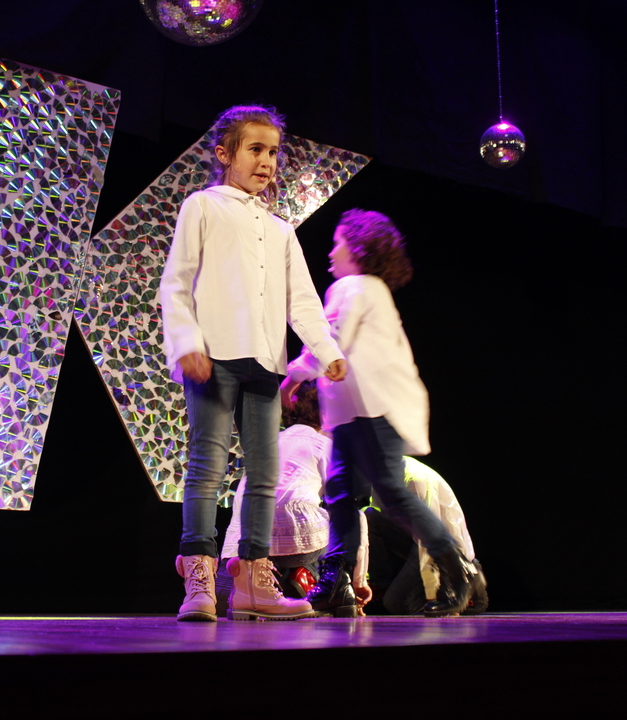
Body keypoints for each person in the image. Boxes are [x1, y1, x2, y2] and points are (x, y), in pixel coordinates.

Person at [159, 105, 347, 622]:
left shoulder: (280, 229)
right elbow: (176, 281)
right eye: (255, 150)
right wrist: (186, 343)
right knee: (207, 467)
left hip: (264, 362)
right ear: (225, 154)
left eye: (273, 152)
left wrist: (327, 352)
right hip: (214, 356)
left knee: (264, 473)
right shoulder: (203, 205)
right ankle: (199, 582)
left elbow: (302, 301)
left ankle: (253, 581)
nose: (266, 161)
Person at [282, 209, 474, 618]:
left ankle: (458, 569)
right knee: (341, 495)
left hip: (371, 411)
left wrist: (292, 377)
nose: (331, 252)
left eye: (338, 243)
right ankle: (337, 581)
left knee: (390, 492)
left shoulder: (355, 286)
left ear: (359, 249)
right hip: (351, 415)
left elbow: (331, 339)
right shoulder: (368, 289)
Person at [215, 380, 372, 618]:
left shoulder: (266, 443)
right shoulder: (326, 445)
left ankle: (270, 582)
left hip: (242, 543)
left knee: (225, 599)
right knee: (353, 515)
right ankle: (317, 581)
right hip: (297, 541)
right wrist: (359, 582)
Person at [367, 456, 488, 615]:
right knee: (368, 515)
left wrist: (434, 595)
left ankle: (467, 576)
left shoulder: (416, 480)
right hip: (415, 546)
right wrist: (364, 581)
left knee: (395, 604)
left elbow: (431, 539)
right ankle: (383, 588)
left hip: (444, 557)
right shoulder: (379, 478)